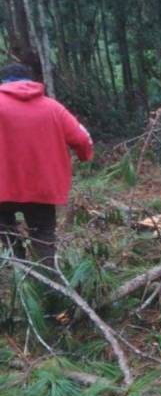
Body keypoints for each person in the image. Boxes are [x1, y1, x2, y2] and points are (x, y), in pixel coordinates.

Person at [0, 63, 94, 267]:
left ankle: (20, 273)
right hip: (42, 187)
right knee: (43, 236)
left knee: (5, 232)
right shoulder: (53, 107)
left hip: (2, 186)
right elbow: (82, 138)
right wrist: (85, 156)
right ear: (31, 81)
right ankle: (49, 283)